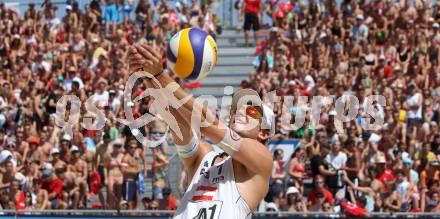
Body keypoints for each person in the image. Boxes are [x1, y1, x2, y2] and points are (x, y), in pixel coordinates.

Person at [128, 44, 273, 218]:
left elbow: (205, 121)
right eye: (238, 108)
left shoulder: (262, 159)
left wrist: (160, 75)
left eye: (252, 111)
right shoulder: (206, 154)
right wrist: (149, 75)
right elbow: (175, 119)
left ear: (263, 133)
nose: (241, 111)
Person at [121, 140, 140, 210]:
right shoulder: (126, 157)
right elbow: (123, 170)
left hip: (134, 182)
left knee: (133, 202)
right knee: (128, 202)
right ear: (128, 148)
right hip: (128, 182)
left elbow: (138, 169)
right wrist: (134, 171)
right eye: (131, 147)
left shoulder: (134, 158)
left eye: (135, 148)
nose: (133, 149)